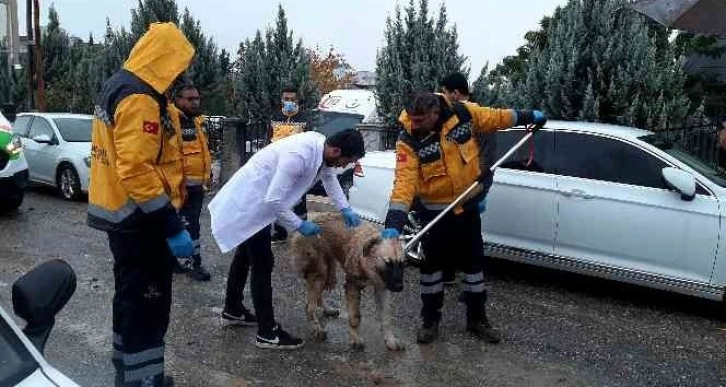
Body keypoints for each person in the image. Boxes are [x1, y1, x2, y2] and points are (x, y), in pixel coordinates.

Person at [380, 91, 546, 345]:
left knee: (473, 265)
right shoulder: (408, 140)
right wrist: (393, 223)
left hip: (467, 205)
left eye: (420, 119)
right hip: (434, 211)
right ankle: (430, 320)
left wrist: (526, 116)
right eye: (412, 118)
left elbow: (495, 118)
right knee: (431, 268)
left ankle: (477, 318)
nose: (414, 124)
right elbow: (404, 182)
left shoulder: (463, 113)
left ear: (436, 113)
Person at [87, 23, 195, 387]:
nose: (180, 73)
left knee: (130, 301)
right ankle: (143, 380)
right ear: (165, 58)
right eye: (178, 64)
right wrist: (171, 224)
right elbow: (135, 168)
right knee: (149, 306)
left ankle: (129, 371)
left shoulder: (120, 85)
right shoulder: (140, 97)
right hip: (141, 220)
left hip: (124, 217)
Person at [209, 129, 365, 350]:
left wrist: (345, 208)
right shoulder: (299, 156)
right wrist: (299, 224)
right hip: (251, 204)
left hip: (258, 205)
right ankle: (267, 332)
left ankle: (232, 309)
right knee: (263, 263)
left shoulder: (323, 151)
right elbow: (274, 200)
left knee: (245, 255)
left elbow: (330, 180)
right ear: (336, 150)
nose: (344, 166)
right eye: (346, 161)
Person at [439, 72, 497, 287]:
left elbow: (487, 159)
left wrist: (477, 187)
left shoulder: (478, 117)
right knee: (448, 229)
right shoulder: (451, 117)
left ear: (455, 93)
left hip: (473, 185)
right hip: (455, 185)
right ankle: (448, 273)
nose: (443, 96)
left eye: (445, 92)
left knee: (468, 235)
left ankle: (471, 283)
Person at [171, 82, 212, 281]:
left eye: (197, 98)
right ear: (177, 100)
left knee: (188, 224)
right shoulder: (172, 121)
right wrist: (180, 186)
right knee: (188, 226)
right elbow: (174, 157)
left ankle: (177, 261)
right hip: (182, 188)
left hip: (195, 186)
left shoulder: (194, 120)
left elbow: (201, 152)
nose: (196, 102)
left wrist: (206, 177)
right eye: (190, 99)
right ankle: (191, 263)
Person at [269, 86, 311, 242]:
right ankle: (279, 232)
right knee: (278, 197)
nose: (289, 102)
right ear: (281, 99)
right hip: (277, 165)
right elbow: (269, 140)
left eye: (292, 99)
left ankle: (302, 234)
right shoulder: (274, 117)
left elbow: (309, 143)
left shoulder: (304, 119)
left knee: (299, 198)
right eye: (286, 99)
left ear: (297, 100)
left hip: (297, 166)